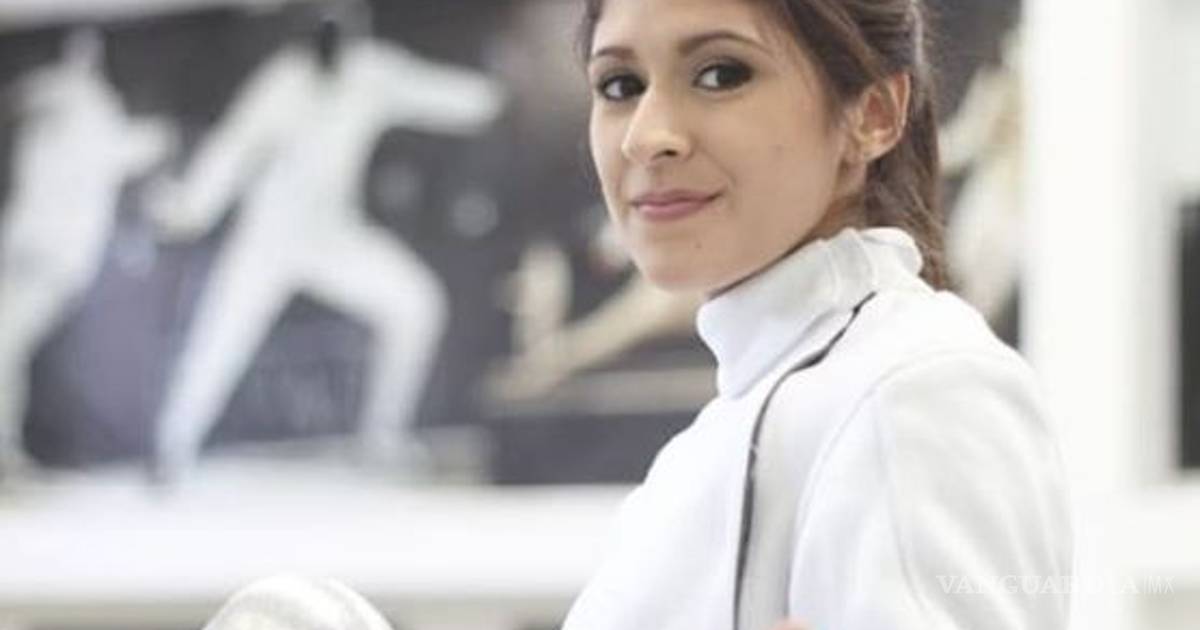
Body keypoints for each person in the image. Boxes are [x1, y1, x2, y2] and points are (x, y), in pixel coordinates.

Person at [562, 0, 1072, 629]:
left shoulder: (917, 384)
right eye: (620, 86)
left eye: (721, 74)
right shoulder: (704, 448)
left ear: (874, 113)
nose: (646, 136)